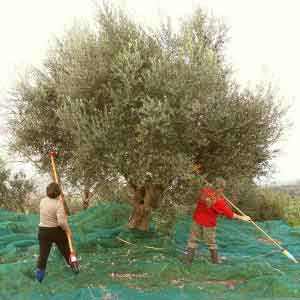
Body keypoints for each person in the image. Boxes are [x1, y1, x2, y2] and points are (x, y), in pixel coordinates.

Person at [185, 176, 251, 264]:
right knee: (211, 243)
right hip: (208, 224)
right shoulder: (218, 202)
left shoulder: (204, 191)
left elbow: (208, 191)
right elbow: (230, 214)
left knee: (192, 241)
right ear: (221, 188)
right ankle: (215, 263)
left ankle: (188, 262)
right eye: (222, 189)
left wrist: (213, 190)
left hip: (197, 220)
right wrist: (243, 217)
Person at [36, 182, 72, 282]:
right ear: (58, 193)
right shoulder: (58, 204)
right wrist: (68, 230)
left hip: (43, 232)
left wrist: (59, 199)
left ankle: (39, 277)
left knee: (43, 256)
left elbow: (50, 205)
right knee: (66, 251)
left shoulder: (42, 201)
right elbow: (61, 222)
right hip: (56, 232)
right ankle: (74, 267)